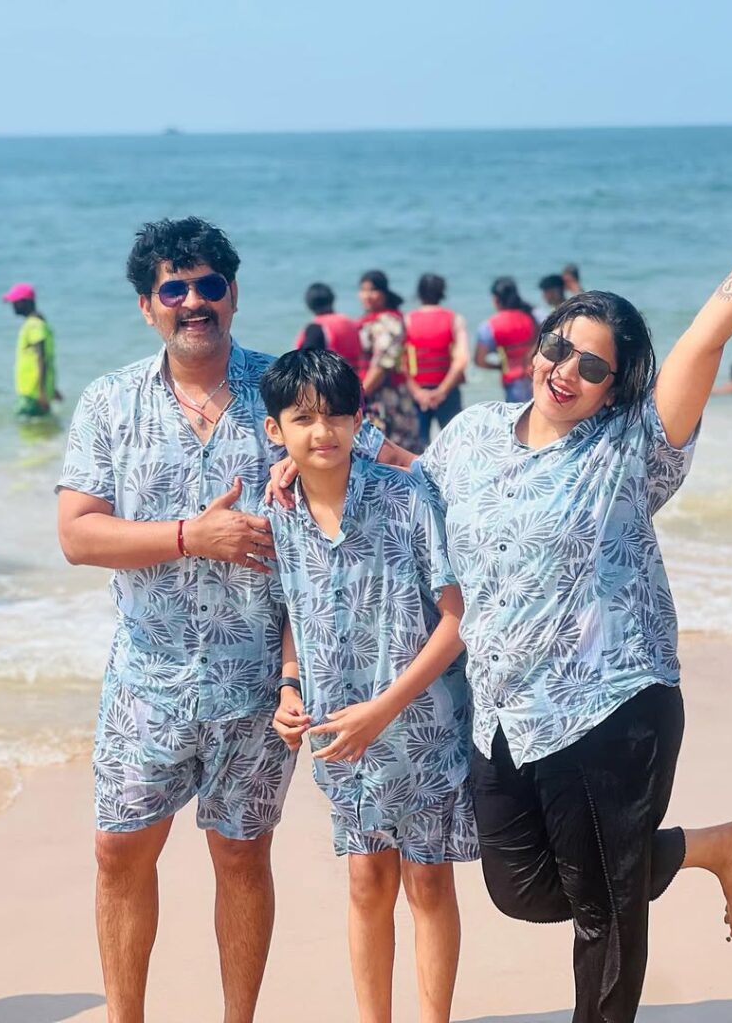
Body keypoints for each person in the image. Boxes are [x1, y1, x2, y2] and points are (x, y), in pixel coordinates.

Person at [271, 136, 732, 1023]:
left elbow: (707, 331)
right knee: (524, 890)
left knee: (606, 915)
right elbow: (397, 495)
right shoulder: (469, 438)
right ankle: (714, 846)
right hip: (506, 710)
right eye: (558, 348)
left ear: (617, 386)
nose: (565, 368)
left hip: (614, 701)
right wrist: (303, 471)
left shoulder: (633, 448)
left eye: (592, 363)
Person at [55, 216, 385, 1023]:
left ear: (232, 294)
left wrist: (294, 674)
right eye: (175, 289)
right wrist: (189, 536)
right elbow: (77, 534)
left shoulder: (291, 397)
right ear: (148, 307)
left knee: (241, 857)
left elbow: (363, 514)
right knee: (117, 850)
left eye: (209, 285)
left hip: (258, 686)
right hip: (147, 677)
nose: (193, 301)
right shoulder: (109, 403)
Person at [260, 348, 477, 1023]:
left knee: (428, 880)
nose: (321, 432)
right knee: (364, 880)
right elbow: (292, 609)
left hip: (422, 726)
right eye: (303, 419)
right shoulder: (282, 510)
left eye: (335, 417)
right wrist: (289, 687)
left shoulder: (408, 499)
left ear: (361, 421)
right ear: (277, 431)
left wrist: (383, 709)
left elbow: (457, 620)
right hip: (341, 736)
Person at [357, 269, 422, 451]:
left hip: (387, 396)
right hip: (370, 393)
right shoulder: (367, 321)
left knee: (392, 451)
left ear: (384, 293)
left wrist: (357, 396)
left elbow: (381, 365)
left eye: (372, 290)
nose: (367, 296)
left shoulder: (389, 322)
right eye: (363, 290)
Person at [404, 273, 469, 447]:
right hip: (448, 391)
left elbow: (399, 364)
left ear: (419, 293)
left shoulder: (407, 320)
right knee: (456, 444)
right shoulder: (454, 319)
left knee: (417, 447)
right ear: (442, 293)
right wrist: (442, 391)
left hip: (417, 393)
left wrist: (417, 393)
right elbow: (461, 360)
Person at [474, 276, 539, 402]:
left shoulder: (489, 326)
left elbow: (479, 361)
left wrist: (499, 366)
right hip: (534, 376)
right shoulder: (532, 316)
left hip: (513, 380)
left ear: (496, 299)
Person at [3, 282, 61, 417]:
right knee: (40, 427)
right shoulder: (39, 324)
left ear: (24, 303)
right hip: (36, 391)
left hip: (32, 392)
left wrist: (42, 392)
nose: (13, 306)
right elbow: (47, 358)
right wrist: (52, 388)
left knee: (26, 425)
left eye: (15, 302)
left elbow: (42, 359)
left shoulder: (34, 325)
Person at [295, 282, 364, 374]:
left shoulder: (316, 328)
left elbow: (306, 363)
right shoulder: (351, 322)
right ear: (332, 299)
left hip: (331, 382)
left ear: (309, 304)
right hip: (355, 378)